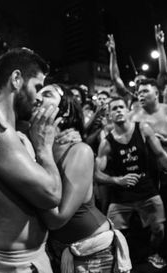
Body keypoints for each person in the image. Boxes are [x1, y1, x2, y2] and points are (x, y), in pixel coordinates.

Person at [0, 48, 61, 272]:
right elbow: (51, 194)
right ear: (16, 79)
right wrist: (44, 149)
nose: (39, 97)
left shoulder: (7, 127)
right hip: (16, 263)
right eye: (37, 87)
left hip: (19, 256)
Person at [34, 84, 132, 273]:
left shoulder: (79, 151)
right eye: (36, 94)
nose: (38, 98)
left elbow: (57, 219)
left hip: (92, 251)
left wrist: (41, 152)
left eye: (47, 94)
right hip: (59, 249)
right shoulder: (43, 145)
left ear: (66, 107)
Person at [94, 97, 167, 269]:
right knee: (112, 235)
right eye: (114, 109)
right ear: (109, 114)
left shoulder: (143, 129)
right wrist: (116, 180)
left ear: (127, 110)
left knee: (159, 229)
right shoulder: (106, 142)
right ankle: (122, 261)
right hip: (121, 196)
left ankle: (153, 253)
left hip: (146, 190)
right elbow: (96, 173)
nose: (119, 111)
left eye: (121, 107)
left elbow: (161, 155)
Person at [130, 79, 167, 248]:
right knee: (149, 214)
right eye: (139, 92)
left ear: (156, 93)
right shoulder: (133, 116)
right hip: (145, 173)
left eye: (145, 91)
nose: (140, 95)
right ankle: (152, 247)